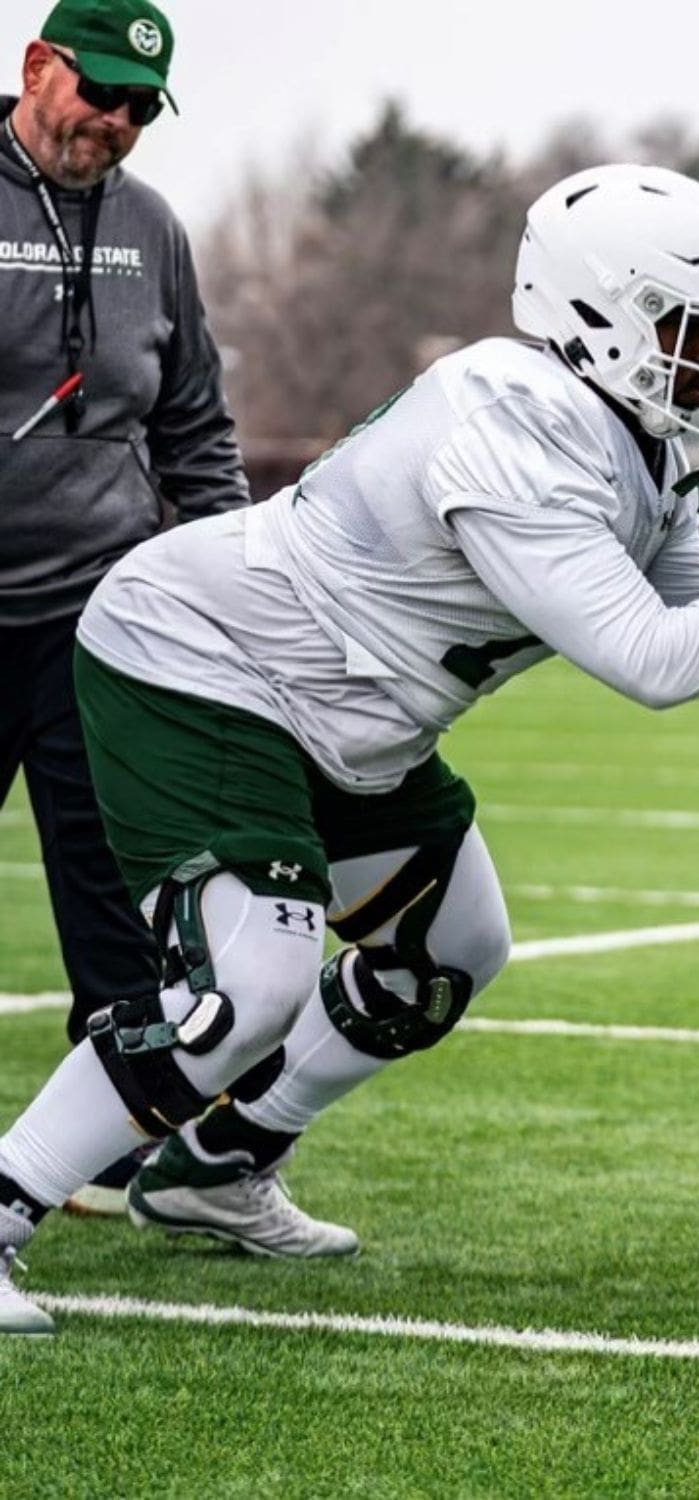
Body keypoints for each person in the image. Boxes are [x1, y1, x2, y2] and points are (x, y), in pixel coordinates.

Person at [0, 162, 699, 1334]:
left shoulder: (638, 449)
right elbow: (652, 658)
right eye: (694, 334)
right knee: (250, 990)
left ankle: (215, 1167)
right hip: (206, 661)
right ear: (606, 319)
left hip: (350, 708)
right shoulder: (516, 421)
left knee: (451, 947)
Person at [1, 0, 249, 1212]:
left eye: (142, 107)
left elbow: (194, 426)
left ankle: (104, 1142)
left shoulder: (152, 229)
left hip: (96, 623)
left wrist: (225, 594)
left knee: (118, 898)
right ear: (36, 65)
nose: (116, 122)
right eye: (99, 91)